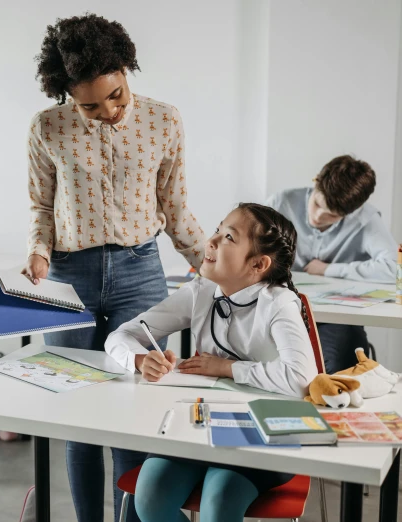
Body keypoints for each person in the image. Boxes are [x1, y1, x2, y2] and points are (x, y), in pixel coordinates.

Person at [22, 14, 206, 522]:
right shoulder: (47, 128)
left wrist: (213, 267)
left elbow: (176, 207)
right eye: (90, 105)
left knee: (133, 408)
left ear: (127, 70)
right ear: (67, 95)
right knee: (78, 414)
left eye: (117, 96)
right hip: (67, 277)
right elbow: (41, 206)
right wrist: (38, 250)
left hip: (140, 271)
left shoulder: (164, 120)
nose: (108, 111)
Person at [105, 203, 318, 522]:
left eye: (229, 237)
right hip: (200, 427)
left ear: (259, 264)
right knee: (150, 498)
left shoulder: (279, 303)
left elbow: (301, 378)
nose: (212, 241)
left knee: (219, 504)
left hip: (264, 436)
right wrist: (138, 359)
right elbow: (120, 336)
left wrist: (227, 368)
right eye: (217, 230)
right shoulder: (201, 291)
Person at [267, 155, 398, 373]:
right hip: (280, 308)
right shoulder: (281, 203)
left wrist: (329, 269)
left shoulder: (366, 219)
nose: (318, 217)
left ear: (351, 212)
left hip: (335, 318)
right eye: (317, 204)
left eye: (332, 216)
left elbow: (394, 268)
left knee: (342, 361)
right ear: (316, 181)